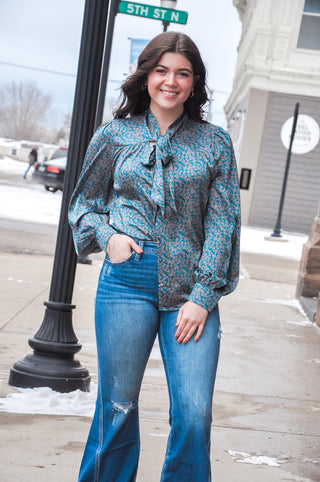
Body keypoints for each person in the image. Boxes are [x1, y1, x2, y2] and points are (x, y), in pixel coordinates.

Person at [69, 31, 241, 482]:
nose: (171, 81)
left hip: (191, 292)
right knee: (117, 406)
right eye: (161, 71)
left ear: (194, 82)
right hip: (125, 284)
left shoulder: (214, 143)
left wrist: (203, 296)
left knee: (194, 413)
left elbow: (224, 224)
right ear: (146, 76)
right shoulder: (114, 136)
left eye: (182, 73)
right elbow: (83, 205)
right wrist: (109, 238)